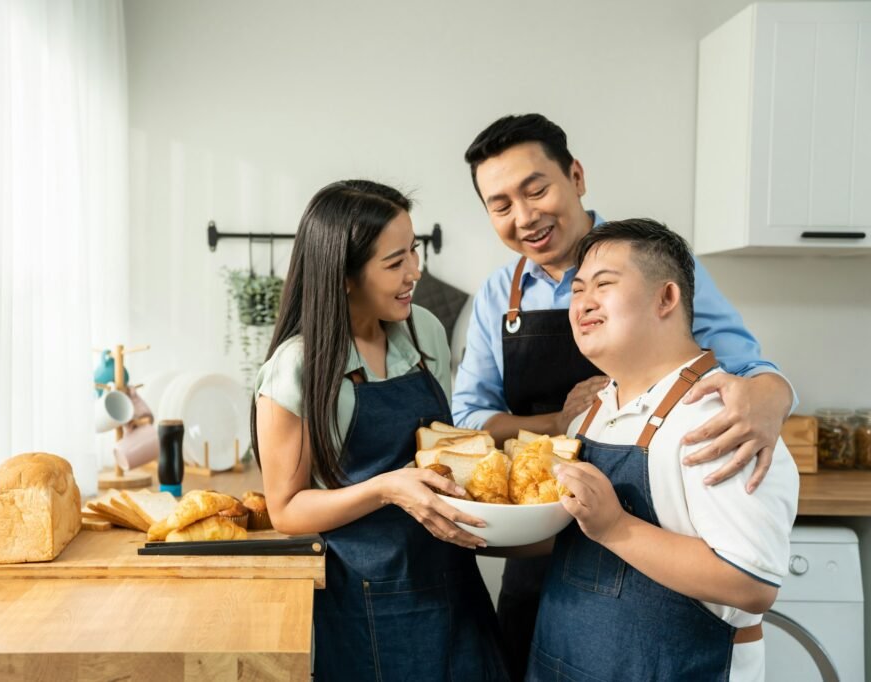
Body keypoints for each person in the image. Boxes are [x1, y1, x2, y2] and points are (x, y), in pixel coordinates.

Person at [453, 114, 797, 679]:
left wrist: (773, 395)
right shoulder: (504, 299)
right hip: (557, 562)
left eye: (536, 189)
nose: (525, 216)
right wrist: (561, 424)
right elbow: (466, 417)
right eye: (501, 204)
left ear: (576, 176)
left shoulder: (654, 262)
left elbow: (749, 367)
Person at [252, 179, 509, 681]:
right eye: (395, 263)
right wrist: (390, 488)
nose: (415, 272)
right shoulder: (297, 367)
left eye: (413, 251)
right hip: (364, 597)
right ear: (344, 276)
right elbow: (285, 509)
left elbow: (445, 453)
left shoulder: (425, 330)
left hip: (453, 584)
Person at [528, 218, 798, 680]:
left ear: (667, 298)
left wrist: (615, 527)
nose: (583, 303)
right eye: (577, 291)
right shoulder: (588, 414)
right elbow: (574, 537)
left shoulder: (721, 417)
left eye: (604, 285)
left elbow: (751, 584)